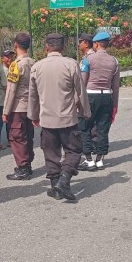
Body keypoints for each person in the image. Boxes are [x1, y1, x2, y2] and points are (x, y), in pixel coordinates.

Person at [28, 33, 90, 202]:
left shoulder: (37, 67)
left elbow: (33, 95)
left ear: (46, 47)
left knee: (51, 153)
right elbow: (80, 90)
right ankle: (64, 180)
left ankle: (56, 185)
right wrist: (85, 111)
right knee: (74, 150)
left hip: (47, 119)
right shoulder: (71, 64)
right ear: (63, 47)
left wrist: (33, 115)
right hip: (67, 118)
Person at [79, 30, 120, 171]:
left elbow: (82, 82)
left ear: (96, 44)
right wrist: (115, 105)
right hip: (107, 97)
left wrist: (79, 101)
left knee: (85, 127)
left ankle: (89, 159)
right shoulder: (114, 61)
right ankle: (100, 159)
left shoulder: (88, 60)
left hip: (90, 96)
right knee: (102, 129)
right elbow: (116, 86)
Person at [3, 32, 35, 180]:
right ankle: (27, 165)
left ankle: (23, 168)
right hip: (30, 106)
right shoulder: (33, 63)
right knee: (28, 135)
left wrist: (6, 111)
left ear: (15, 45)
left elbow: (11, 90)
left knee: (17, 137)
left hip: (17, 107)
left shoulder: (15, 65)